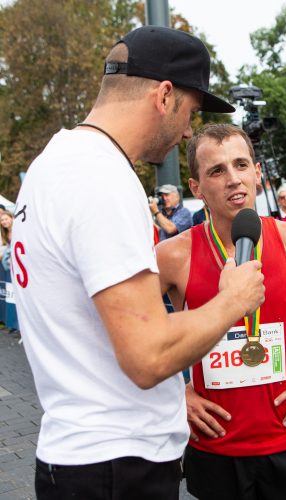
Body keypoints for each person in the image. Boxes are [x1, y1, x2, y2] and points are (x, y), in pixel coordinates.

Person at [11, 26, 265, 500]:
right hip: (114, 463)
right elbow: (148, 357)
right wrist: (234, 299)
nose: (189, 130)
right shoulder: (100, 176)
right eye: (191, 112)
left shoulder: (56, 161)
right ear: (165, 95)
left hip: (80, 454)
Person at [156, 123, 286, 500]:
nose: (233, 179)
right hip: (215, 443)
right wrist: (173, 392)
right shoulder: (173, 255)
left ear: (257, 174)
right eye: (217, 171)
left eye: (241, 165)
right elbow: (125, 332)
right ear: (196, 187)